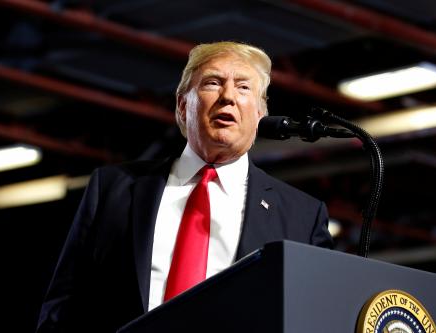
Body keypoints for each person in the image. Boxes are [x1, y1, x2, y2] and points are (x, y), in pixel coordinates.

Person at [36, 41, 333, 333]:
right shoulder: (113, 189)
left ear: (260, 114)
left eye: (244, 87)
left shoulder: (302, 216)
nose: (228, 96)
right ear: (182, 105)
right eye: (212, 83)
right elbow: (63, 308)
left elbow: (318, 318)